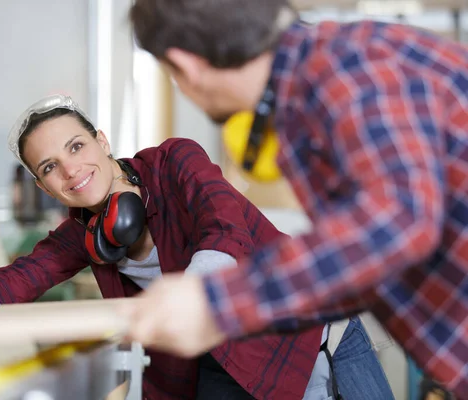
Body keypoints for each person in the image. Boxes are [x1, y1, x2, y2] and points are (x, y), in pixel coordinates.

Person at [0, 94, 391, 399]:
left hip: (312, 330)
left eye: (76, 147)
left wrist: (188, 296)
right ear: (44, 186)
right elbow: (17, 280)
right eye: (49, 167)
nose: (70, 169)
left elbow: (225, 225)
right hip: (223, 358)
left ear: (101, 141)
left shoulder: (175, 162)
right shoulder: (83, 233)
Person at [121, 0, 468, 398]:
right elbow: (365, 268)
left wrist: (218, 302)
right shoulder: (321, 81)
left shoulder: (348, 70)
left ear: (186, 65)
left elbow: (398, 223)